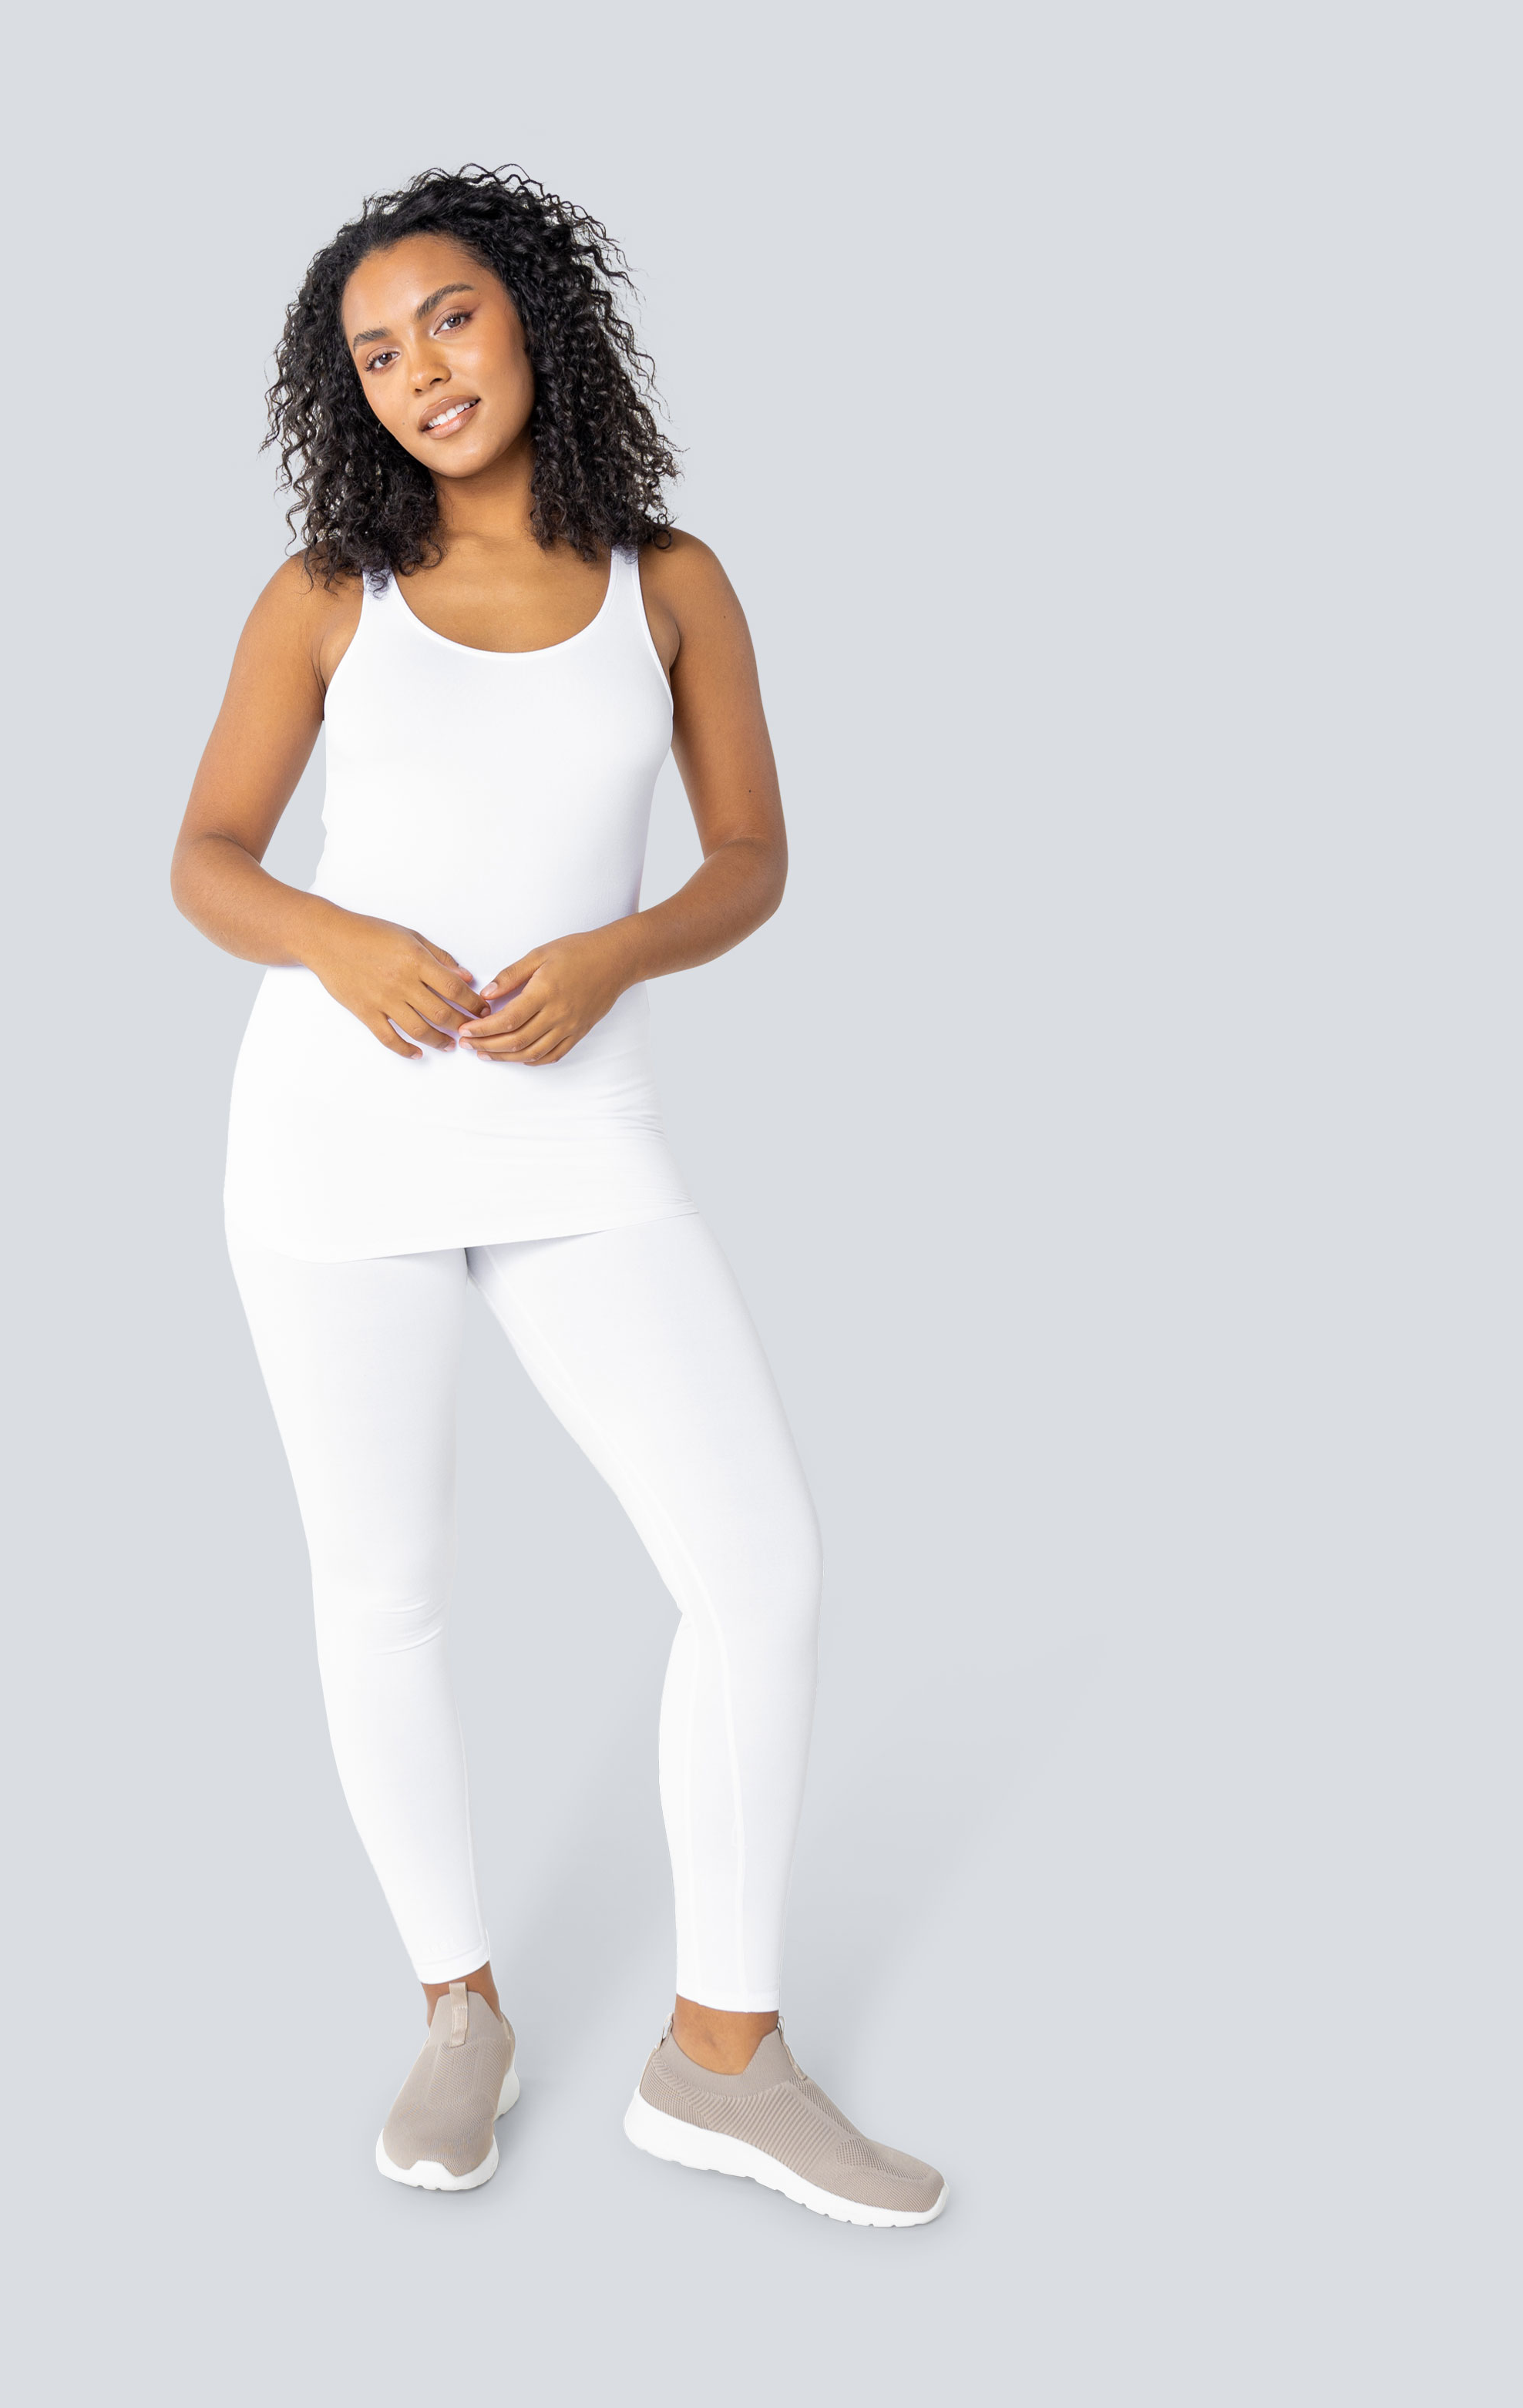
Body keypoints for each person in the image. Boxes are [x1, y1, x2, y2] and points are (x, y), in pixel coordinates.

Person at [172, 166, 945, 2227]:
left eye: (448, 317)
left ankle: (720, 2060)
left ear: (531, 317)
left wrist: (615, 956)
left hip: (574, 1131)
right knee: (385, 1589)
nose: (418, 370)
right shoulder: (326, 593)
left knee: (757, 1568)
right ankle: (459, 2010)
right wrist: (339, 943)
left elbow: (751, 857)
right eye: (373, 351)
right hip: (331, 1139)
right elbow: (207, 857)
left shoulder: (668, 579)